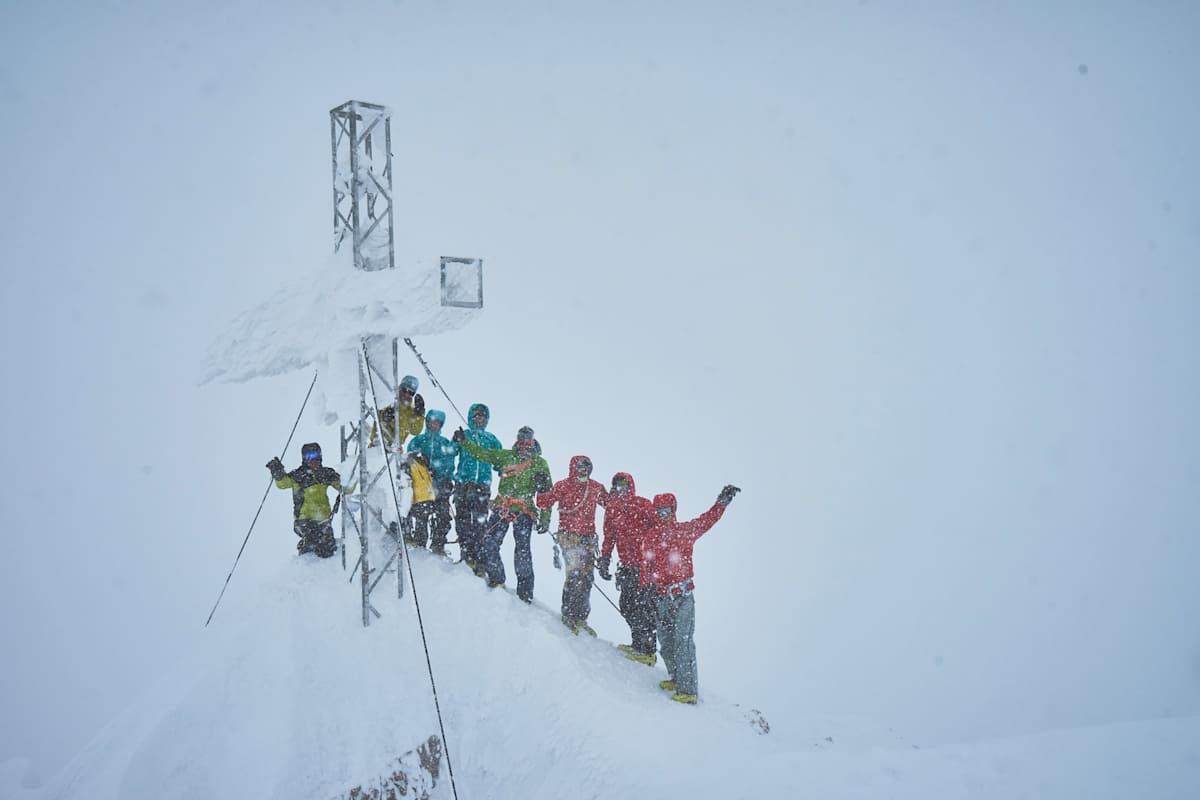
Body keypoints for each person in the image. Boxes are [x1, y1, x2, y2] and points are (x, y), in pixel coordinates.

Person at [640, 484, 740, 705]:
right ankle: (676, 678)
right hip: (661, 597)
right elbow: (646, 564)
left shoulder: (684, 531)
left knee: (683, 641)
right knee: (666, 641)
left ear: (673, 510)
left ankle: (688, 690)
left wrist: (721, 503)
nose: (663, 515)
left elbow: (707, 520)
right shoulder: (651, 536)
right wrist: (646, 588)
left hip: (683, 596)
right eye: (659, 511)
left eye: (667, 510)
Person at [453, 425, 552, 602]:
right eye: (521, 438)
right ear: (517, 439)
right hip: (503, 506)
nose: (524, 443)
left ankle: (525, 594)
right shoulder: (506, 456)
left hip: (524, 511)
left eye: (527, 439)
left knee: (522, 551)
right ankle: (497, 579)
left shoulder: (540, 464)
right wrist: (465, 442)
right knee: (489, 542)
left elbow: (546, 495)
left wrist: (545, 518)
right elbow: (482, 453)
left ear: (532, 441)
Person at [536, 455, 608, 635]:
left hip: (588, 539)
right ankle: (568, 615)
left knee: (587, 578)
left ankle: (581, 618)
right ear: (573, 469)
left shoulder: (595, 487)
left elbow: (609, 505)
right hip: (569, 537)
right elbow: (543, 503)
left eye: (587, 468)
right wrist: (542, 488)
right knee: (575, 575)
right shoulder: (563, 486)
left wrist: (618, 496)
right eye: (580, 468)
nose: (584, 472)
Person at [598, 472, 658, 665]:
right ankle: (638, 644)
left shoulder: (643, 504)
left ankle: (648, 651)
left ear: (630, 486)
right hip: (626, 566)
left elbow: (659, 528)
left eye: (624, 485)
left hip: (646, 567)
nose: (620, 489)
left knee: (643, 607)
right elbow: (609, 537)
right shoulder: (612, 509)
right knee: (627, 605)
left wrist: (659, 557)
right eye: (617, 486)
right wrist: (605, 559)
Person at [266, 443, 343, 558]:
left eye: (315, 455)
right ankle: (306, 555)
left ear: (320, 456)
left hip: (323, 521)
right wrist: (278, 473)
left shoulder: (326, 474)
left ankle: (315, 564)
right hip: (304, 521)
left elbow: (346, 487)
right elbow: (282, 484)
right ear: (304, 459)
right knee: (313, 540)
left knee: (329, 548)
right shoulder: (299, 475)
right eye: (309, 456)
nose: (313, 460)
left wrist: (352, 474)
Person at [452, 403, 503, 571]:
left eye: (482, 416)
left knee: (480, 525)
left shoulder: (491, 439)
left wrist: (505, 471)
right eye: (476, 415)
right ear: (470, 417)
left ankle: (479, 560)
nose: (479, 419)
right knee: (463, 522)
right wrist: (455, 441)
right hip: (463, 485)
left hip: (482, 487)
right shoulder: (464, 435)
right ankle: (467, 556)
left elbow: (499, 462)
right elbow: (450, 452)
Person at [405, 409, 458, 555]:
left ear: (441, 425)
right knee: (421, 515)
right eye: (431, 422)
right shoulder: (418, 441)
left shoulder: (445, 443)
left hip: (440, 486)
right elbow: (409, 460)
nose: (433, 425)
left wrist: (441, 475)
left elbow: (449, 464)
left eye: (437, 423)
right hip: (421, 487)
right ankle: (419, 545)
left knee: (443, 516)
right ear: (427, 422)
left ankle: (438, 545)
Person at [369, 374, 425, 450]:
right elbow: (379, 413)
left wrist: (419, 414)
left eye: (411, 393)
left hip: (396, 450)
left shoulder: (410, 411)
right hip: (379, 446)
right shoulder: (389, 401)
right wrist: (384, 416)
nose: (406, 394)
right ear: (399, 388)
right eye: (404, 390)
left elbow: (415, 431)